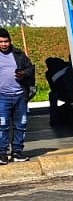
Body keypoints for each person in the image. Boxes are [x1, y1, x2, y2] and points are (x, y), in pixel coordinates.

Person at [0, 27, 35, 164]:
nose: (4, 44)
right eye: (1, 42)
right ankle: (2, 153)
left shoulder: (19, 54)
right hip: (2, 96)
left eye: (6, 41)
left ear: (10, 41)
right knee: (2, 126)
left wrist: (23, 74)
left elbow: (30, 69)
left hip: (20, 95)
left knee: (21, 125)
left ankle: (17, 152)